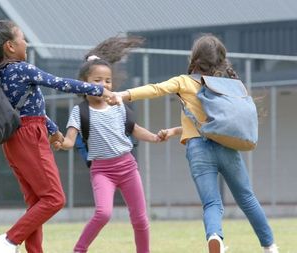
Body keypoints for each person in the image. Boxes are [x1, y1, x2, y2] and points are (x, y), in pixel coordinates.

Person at [0, 18, 115, 253]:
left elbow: (26, 109)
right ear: (10, 46)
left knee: (37, 202)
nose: (26, 43)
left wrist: (53, 131)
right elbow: (60, 83)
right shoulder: (22, 69)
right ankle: (8, 240)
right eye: (22, 38)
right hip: (29, 136)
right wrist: (98, 89)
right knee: (54, 199)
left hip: (15, 138)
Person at [110, 34, 279, 253]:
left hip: (198, 150)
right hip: (226, 146)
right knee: (246, 197)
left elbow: (156, 89)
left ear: (195, 58)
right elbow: (217, 124)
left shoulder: (184, 82)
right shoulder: (229, 86)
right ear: (220, 60)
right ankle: (269, 246)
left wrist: (123, 94)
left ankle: (215, 237)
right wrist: (174, 130)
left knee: (211, 204)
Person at [52, 36, 162, 253]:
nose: (104, 85)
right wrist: (61, 143)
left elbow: (135, 129)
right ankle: (79, 249)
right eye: (97, 80)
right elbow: (70, 141)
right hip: (103, 171)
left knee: (140, 218)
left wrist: (155, 137)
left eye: (108, 80)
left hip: (128, 167)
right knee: (103, 213)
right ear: (84, 84)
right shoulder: (79, 112)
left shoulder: (118, 106)